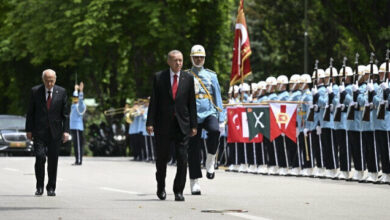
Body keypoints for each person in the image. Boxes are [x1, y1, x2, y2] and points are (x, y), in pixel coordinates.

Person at [146, 50, 197, 202]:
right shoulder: (159, 77)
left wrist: (194, 125)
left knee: (182, 159)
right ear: (168, 61)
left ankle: (178, 190)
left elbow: (191, 103)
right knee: (162, 159)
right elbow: (153, 102)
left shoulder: (188, 78)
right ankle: (161, 186)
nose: (178, 63)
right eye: (175, 60)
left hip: (182, 125)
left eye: (180, 60)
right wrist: (150, 122)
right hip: (163, 125)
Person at [26, 69, 69, 197]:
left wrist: (66, 131)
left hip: (55, 132)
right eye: (47, 81)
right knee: (40, 157)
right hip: (39, 131)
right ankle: (39, 186)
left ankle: (51, 187)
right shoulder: (35, 91)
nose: (49, 83)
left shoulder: (61, 92)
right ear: (43, 80)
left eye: (52, 81)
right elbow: (30, 112)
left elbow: (65, 114)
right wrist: (29, 129)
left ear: (55, 80)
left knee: (53, 160)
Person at [70, 82, 86, 165]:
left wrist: (80, 91)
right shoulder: (73, 105)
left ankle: (79, 160)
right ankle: (77, 159)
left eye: (76, 98)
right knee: (75, 145)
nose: (75, 99)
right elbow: (75, 99)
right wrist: (75, 90)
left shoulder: (80, 105)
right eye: (74, 98)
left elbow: (80, 101)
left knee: (78, 145)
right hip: (73, 127)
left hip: (77, 127)